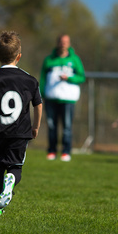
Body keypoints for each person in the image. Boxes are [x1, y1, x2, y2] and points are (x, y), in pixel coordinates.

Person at [0, 31, 42, 217]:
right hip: (20, 131)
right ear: (19, 56)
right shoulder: (30, 80)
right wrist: (35, 126)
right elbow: (38, 104)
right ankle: (11, 179)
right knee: (15, 167)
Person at [39, 34, 85, 162]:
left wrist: (69, 78)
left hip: (68, 99)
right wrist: (41, 94)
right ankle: (52, 151)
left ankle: (66, 152)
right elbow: (42, 78)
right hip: (51, 98)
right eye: (61, 41)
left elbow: (82, 77)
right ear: (57, 43)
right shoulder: (49, 59)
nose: (63, 44)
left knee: (67, 127)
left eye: (66, 42)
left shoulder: (75, 60)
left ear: (69, 44)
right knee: (52, 126)